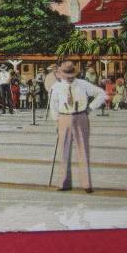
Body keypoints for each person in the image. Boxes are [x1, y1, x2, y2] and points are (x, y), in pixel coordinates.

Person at [50, 61, 106, 193]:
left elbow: (101, 93)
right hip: (63, 117)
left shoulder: (83, 84)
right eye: (66, 75)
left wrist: (90, 108)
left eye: (71, 75)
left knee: (83, 151)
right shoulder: (56, 87)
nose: (69, 78)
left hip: (81, 117)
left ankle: (86, 184)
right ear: (61, 75)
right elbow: (53, 105)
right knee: (63, 151)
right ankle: (64, 183)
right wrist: (56, 120)